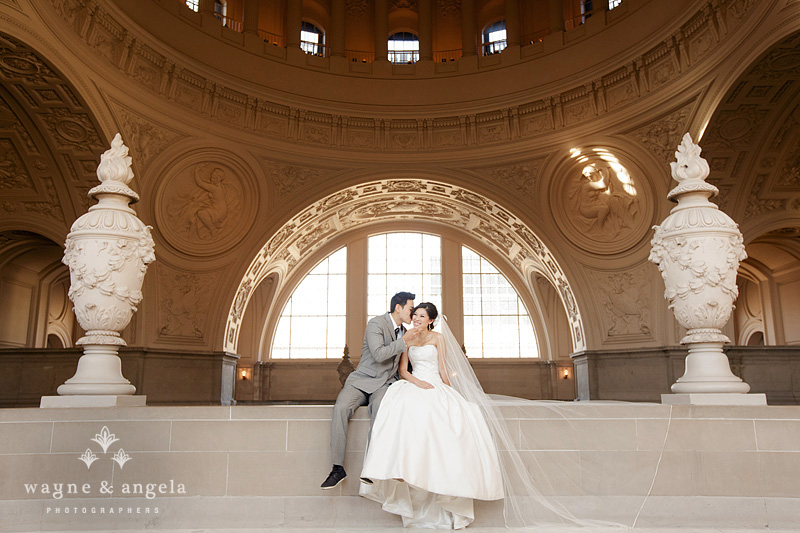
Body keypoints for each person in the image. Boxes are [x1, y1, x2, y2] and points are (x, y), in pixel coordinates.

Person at [359, 302, 504, 529]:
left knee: (454, 419)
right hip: (416, 382)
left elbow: (443, 369)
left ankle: (446, 487)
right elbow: (403, 370)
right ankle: (400, 472)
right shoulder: (407, 337)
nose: (416, 318)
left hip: (435, 383)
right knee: (403, 409)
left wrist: (450, 391)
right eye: (414, 314)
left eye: (421, 315)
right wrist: (418, 383)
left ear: (431, 320)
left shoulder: (438, 339)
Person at [321, 291, 422, 489]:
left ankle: (370, 468)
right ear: (398, 307)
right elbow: (378, 354)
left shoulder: (405, 331)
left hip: (385, 384)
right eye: (411, 308)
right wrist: (404, 341)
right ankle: (337, 468)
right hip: (362, 380)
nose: (413, 312)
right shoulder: (376, 324)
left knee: (381, 412)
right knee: (341, 408)